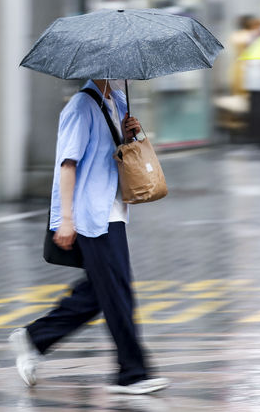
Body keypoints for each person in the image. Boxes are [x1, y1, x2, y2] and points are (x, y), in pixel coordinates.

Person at [9, 79, 170, 395]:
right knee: (117, 291)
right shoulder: (81, 106)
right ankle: (132, 373)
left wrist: (130, 134)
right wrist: (65, 220)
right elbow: (67, 165)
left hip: (113, 210)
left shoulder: (119, 100)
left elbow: (115, 153)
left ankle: (34, 339)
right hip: (90, 216)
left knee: (101, 292)